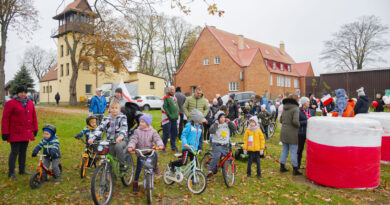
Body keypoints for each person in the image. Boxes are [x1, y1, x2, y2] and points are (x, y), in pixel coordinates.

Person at [2, 85, 38, 179]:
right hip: (15, 132)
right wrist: (5, 132)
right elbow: (5, 119)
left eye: (25, 92)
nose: (23, 94)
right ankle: (11, 172)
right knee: (14, 152)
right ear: (17, 93)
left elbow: (34, 116)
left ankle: (22, 170)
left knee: (23, 152)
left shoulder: (30, 103)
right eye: (21, 92)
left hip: (26, 132)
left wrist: (35, 128)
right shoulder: (10, 103)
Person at [127, 113, 164, 194]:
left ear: (147, 123)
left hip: (149, 151)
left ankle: (155, 168)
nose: (140, 123)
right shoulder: (137, 131)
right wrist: (131, 146)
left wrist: (160, 144)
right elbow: (134, 139)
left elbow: (157, 138)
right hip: (140, 152)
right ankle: (135, 182)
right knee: (139, 168)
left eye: (143, 122)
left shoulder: (152, 131)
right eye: (140, 121)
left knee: (155, 155)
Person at [89, 100, 128, 170]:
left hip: (122, 140)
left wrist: (121, 136)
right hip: (111, 141)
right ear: (109, 109)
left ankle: (122, 165)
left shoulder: (123, 117)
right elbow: (100, 128)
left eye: (116, 108)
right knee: (109, 157)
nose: (114, 110)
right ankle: (111, 177)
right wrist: (92, 137)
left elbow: (124, 128)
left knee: (118, 147)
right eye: (112, 108)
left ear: (119, 110)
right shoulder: (106, 118)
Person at [208, 111, 236, 176]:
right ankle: (210, 169)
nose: (223, 119)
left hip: (225, 144)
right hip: (217, 144)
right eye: (221, 117)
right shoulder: (216, 124)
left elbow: (234, 128)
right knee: (216, 156)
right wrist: (216, 124)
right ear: (218, 118)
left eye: (224, 117)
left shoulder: (227, 124)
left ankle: (225, 171)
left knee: (226, 158)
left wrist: (230, 122)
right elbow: (211, 131)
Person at [279, 95, 301, 176]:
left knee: (284, 150)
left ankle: (282, 166)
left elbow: (281, 119)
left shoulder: (284, 107)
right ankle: (295, 169)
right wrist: (299, 125)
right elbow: (295, 121)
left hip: (284, 131)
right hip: (292, 133)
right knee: (293, 151)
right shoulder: (295, 108)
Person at [297, 97, 315, 169]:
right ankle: (298, 165)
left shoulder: (310, 111)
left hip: (310, 134)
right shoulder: (299, 111)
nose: (309, 103)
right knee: (300, 150)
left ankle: (309, 165)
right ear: (304, 103)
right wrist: (307, 121)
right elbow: (297, 123)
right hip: (301, 133)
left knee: (310, 150)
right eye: (308, 102)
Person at [162, 86, 179, 152]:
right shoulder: (166, 97)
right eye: (171, 90)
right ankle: (163, 147)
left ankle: (173, 146)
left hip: (174, 119)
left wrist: (176, 115)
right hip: (167, 119)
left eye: (173, 90)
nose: (172, 91)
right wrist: (169, 115)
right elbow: (164, 107)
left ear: (175, 90)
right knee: (166, 133)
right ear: (168, 90)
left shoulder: (174, 98)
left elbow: (176, 107)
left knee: (174, 133)